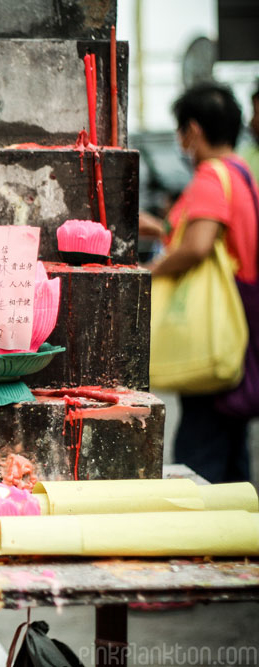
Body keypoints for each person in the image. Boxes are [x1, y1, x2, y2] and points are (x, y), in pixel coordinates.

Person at [141, 82, 258, 483]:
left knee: (200, 454)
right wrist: (162, 229)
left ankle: (207, 541)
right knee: (230, 449)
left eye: (180, 131)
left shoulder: (210, 176)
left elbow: (198, 246)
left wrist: (146, 274)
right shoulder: (240, 171)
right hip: (241, 316)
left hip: (215, 325)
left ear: (192, 129)